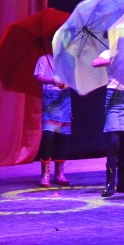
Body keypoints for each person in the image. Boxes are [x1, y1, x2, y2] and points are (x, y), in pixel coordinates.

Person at [92, 49, 124, 197]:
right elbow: (95, 62)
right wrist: (114, 60)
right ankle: (110, 184)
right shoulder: (109, 52)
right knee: (114, 142)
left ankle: (123, 183)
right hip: (114, 98)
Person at [33, 54, 72, 187]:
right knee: (48, 135)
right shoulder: (44, 59)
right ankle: (45, 174)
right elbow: (39, 77)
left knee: (63, 136)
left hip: (64, 98)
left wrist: (65, 85)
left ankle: (59, 173)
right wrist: (52, 80)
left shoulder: (68, 58)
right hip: (50, 98)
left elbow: (74, 80)